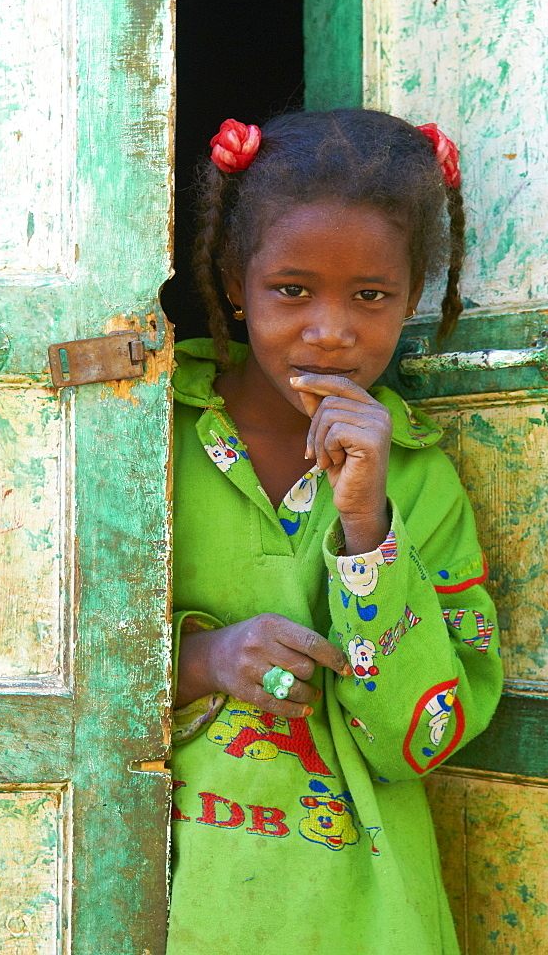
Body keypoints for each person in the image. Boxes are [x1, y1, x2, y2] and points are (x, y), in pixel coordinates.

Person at [167, 109, 503, 955]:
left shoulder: (419, 478)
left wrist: (366, 525)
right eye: (291, 290)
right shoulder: (139, 437)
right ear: (235, 280)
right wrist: (203, 661)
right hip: (169, 894)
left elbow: (416, 740)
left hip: (365, 916)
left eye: (370, 296)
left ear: (411, 296)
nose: (330, 330)